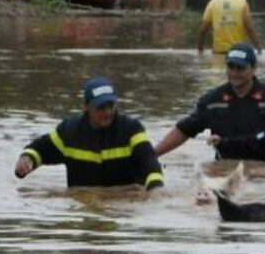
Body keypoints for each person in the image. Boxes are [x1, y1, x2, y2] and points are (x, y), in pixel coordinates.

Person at [14, 76, 165, 190]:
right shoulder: (69, 131)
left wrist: (156, 190)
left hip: (124, 205)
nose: (108, 112)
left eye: (111, 106)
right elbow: (40, 149)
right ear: (86, 107)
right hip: (84, 205)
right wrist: (27, 159)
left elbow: (149, 161)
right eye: (101, 107)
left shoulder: (131, 129)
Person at [154, 43, 265, 160]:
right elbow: (184, 130)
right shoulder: (212, 100)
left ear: (254, 68)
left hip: (262, 169)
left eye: (240, 68)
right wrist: (152, 155)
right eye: (230, 67)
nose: (234, 73)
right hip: (223, 168)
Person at [198, 0, 263, 55]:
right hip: (238, 51)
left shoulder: (212, 2)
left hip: (218, 51)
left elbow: (203, 30)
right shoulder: (242, 2)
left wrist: (200, 49)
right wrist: (258, 48)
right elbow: (249, 28)